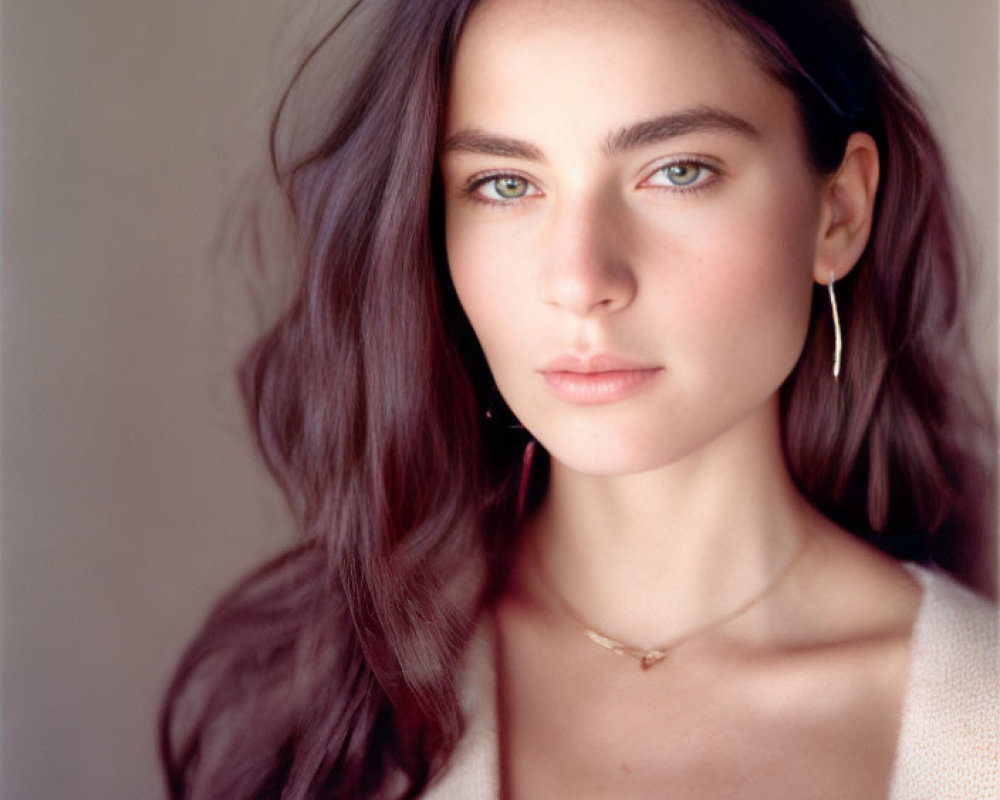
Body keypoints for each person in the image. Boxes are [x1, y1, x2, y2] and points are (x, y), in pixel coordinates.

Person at [160, 1, 998, 798]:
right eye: (504, 184)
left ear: (838, 213)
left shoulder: (975, 729)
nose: (578, 280)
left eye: (676, 171)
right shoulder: (326, 693)